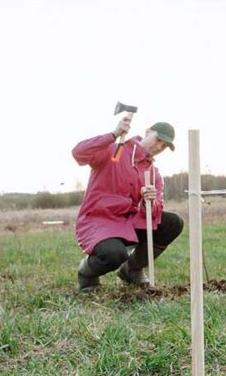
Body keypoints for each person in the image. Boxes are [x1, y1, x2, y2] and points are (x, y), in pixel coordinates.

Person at [71, 117, 182, 291]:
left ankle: (132, 269)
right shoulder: (114, 151)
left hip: (130, 222)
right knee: (114, 255)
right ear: (147, 132)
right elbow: (79, 152)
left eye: (164, 146)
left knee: (173, 222)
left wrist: (149, 202)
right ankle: (87, 274)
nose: (159, 147)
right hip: (100, 220)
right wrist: (113, 134)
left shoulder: (154, 174)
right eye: (158, 140)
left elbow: (154, 213)